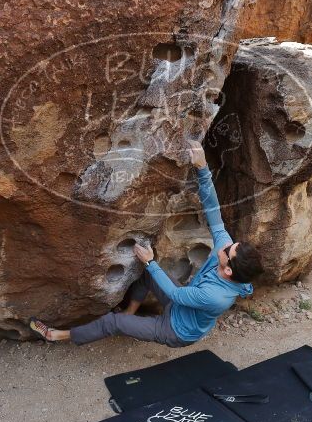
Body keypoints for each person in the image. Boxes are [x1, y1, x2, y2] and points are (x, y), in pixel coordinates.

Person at [30, 141, 264, 347]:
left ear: (229, 269)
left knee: (115, 321)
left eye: (227, 250)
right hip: (179, 306)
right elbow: (213, 211)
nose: (224, 245)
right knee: (148, 275)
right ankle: (131, 313)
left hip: (176, 330)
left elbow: (176, 294)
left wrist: (151, 262)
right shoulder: (227, 256)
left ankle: (57, 335)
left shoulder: (216, 296)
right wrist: (202, 169)